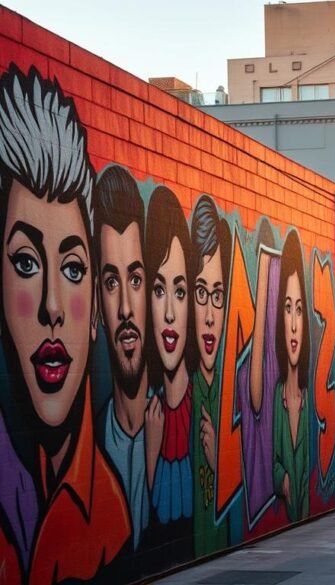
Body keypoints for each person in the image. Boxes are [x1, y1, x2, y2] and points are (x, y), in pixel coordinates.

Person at [0, 64, 130, 583]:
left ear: (96, 306)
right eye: (26, 263)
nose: (53, 305)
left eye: (74, 268)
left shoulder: (111, 521)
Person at [93, 167, 153, 551]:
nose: (127, 309)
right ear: (98, 298)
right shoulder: (90, 450)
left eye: (135, 279)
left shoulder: (177, 430)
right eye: (112, 283)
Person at [143, 186, 195, 562]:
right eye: (159, 289)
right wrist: (150, 453)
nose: (170, 314)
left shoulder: (204, 405)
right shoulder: (148, 414)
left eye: (180, 291)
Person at [189, 194, 238, 554]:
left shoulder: (230, 390)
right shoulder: (182, 392)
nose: (209, 315)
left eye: (218, 296)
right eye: (200, 293)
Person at [270, 231, 311, 522]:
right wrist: (279, 476)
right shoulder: (277, 396)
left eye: (299, 309)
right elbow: (271, 461)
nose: (294, 323)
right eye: (287, 308)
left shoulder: (309, 398)